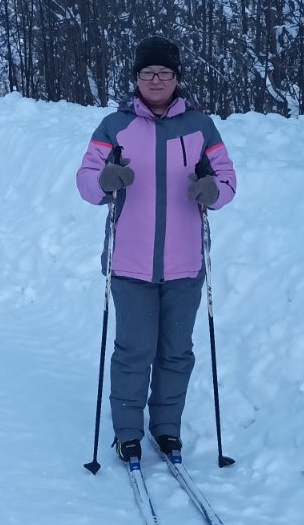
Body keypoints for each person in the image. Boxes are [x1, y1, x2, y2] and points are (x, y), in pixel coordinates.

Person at [76, 34, 237, 462]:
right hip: (130, 263)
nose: (156, 79)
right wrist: (104, 182)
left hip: (185, 264)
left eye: (164, 72)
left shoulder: (200, 127)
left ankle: (166, 429)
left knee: (176, 352)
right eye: (148, 72)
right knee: (134, 350)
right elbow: (86, 179)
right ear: (136, 78)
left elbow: (227, 181)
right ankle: (128, 431)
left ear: (176, 78)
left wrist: (212, 191)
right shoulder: (115, 126)